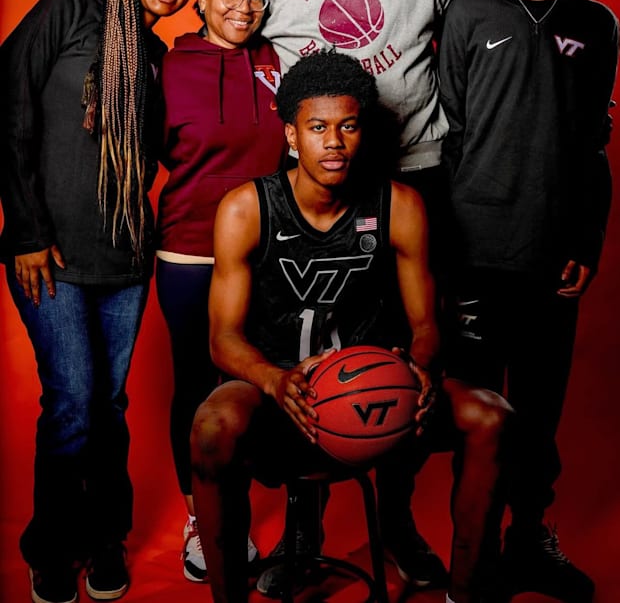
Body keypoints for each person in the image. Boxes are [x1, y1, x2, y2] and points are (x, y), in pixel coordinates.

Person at [251, 0, 473, 589]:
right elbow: (238, 34)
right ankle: (303, 531)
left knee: (410, 353)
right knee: (306, 346)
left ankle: (402, 518)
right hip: (313, 185)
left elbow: (470, 34)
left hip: (415, 167)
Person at [190, 51, 513, 603]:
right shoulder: (247, 209)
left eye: (347, 126)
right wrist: (274, 381)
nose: (334, 141)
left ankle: (466, 593)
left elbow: (425, 322)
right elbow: (222, 339)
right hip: (278, 385)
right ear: (292, 134)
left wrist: (421, 366)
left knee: (491, 416)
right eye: (318, 128)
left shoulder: (401, 204)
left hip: (371, 382)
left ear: (363, 131)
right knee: (213, 425)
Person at [0, 0, 203, 603]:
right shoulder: (68, 9)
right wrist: (25, 230)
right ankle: (51, 545)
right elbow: (9, 106)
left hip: (125, 260)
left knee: (109, 405)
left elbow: (169, 151)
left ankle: (104, 537)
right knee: (72, 403)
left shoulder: (155, 54)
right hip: (49, 255)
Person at [438, 0, 618, 603]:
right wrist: (446, 254)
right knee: (480, 413)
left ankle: (529, 538)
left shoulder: (596, 22)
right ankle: (471, 553)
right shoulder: (470, 18)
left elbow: (595, 143)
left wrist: (588, 242)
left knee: (540, 412)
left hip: (553, 256)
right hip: (479, 252)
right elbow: (451, 132)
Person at [155, 0, 287, 582]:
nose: (243, 8)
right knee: (198, 386)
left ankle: (279, 517)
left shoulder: (275, 57)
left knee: (266, 379)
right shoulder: (167, 67)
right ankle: (200, 520)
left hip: (269, 254)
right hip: (190, 250)